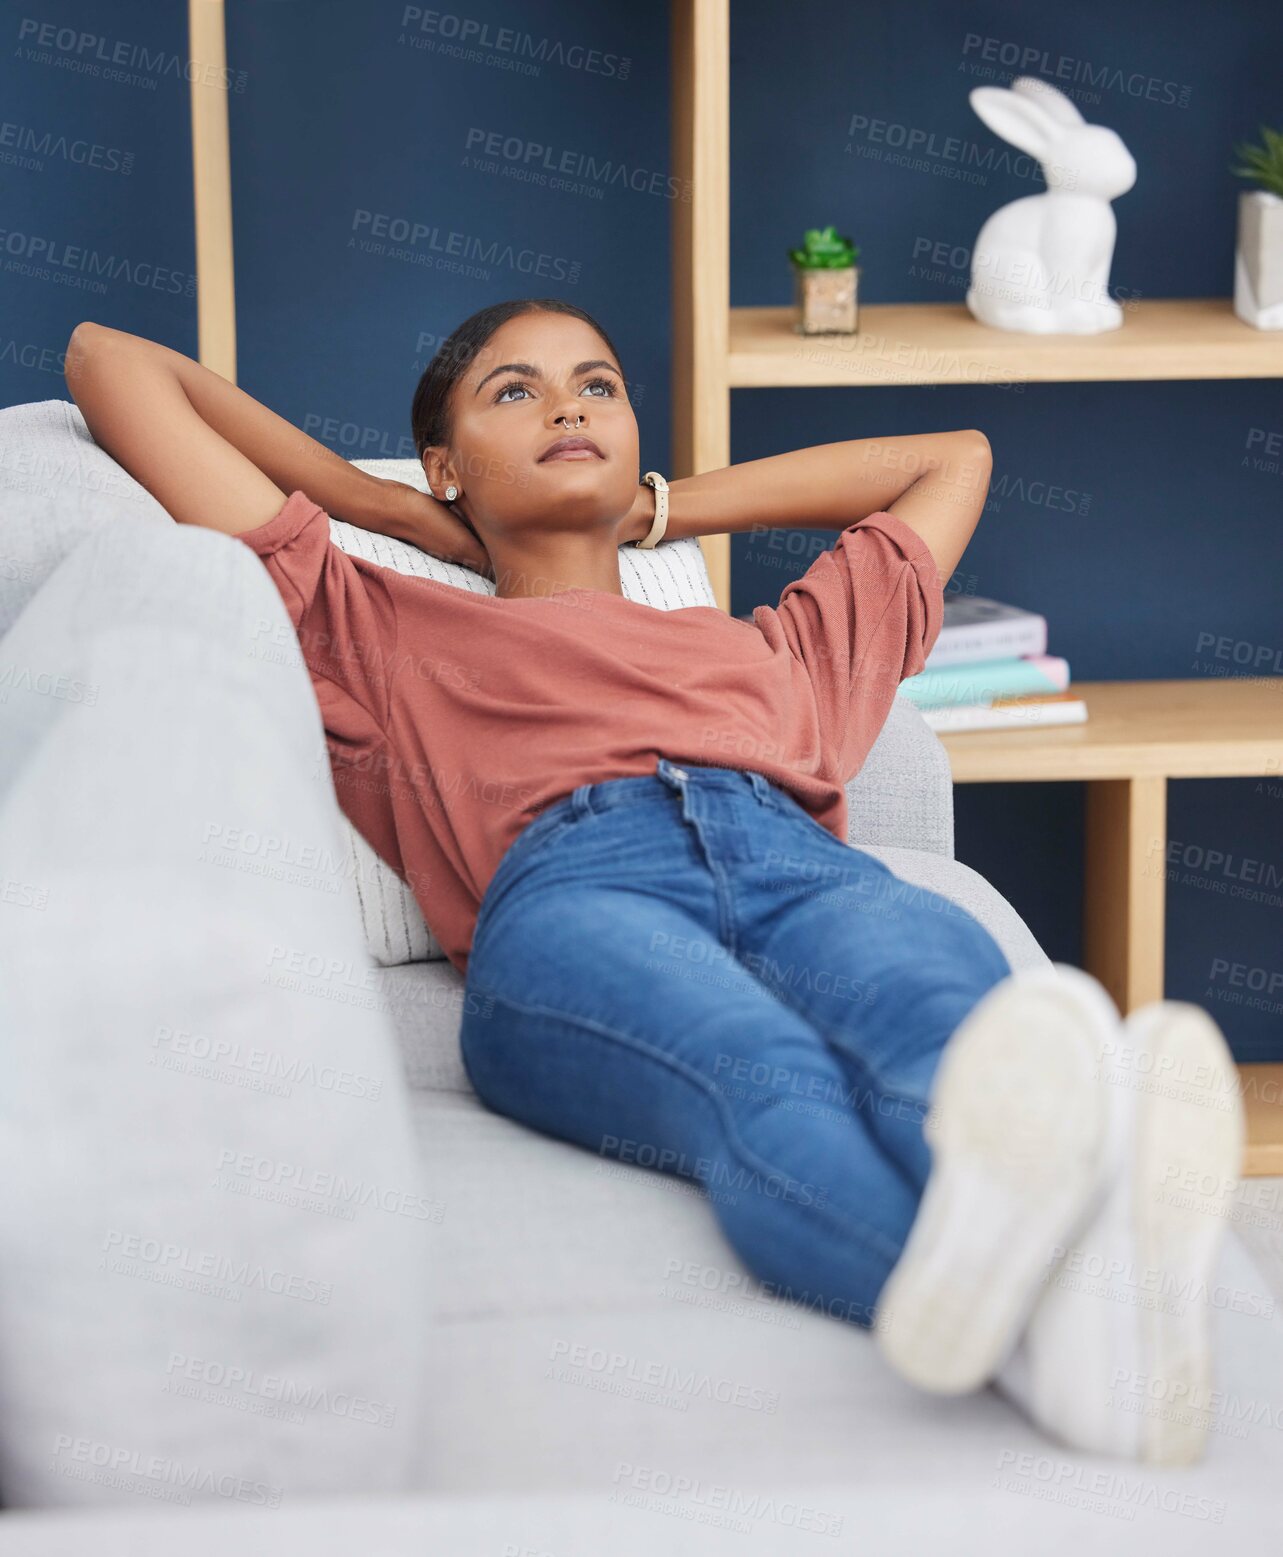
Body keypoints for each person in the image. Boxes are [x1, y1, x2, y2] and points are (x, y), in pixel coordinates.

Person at [64, 299, 1243, 1467]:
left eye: (597, 385)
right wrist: (380, 509)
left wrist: (666, 508)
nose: (566, 405)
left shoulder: (773, 648)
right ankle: (1069, 1320)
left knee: (945, 1036)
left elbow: (954, 461)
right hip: (576, 890)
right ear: (446, 464)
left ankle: (1067, 1301)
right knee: (763, 1076)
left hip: (803, 869)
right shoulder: (376, 625)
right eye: (512, 391)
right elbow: (109, 361)